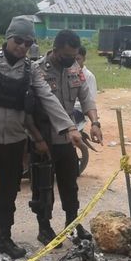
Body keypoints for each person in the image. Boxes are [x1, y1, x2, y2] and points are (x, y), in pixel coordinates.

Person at [0, 16, 82, 261]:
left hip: (14, 143)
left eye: (28, 42)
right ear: (8, 37)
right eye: (18, 40)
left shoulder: (30, 69)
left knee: (8, 194)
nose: (22, 46)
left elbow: (47, 97)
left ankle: (5, 239)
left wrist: (68, 126)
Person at [31, 30, 103, 247]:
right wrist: (36, 139)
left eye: (74, 56)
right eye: (66, 56)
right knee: (43, 187)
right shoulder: (37, 70)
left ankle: (72, 224)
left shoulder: (75, 69)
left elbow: (86, 98)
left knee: (70, 185)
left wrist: (95, 123)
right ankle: (44, 228)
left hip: (68, 140)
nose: (70, 60)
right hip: (44, 138)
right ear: (55, 49)